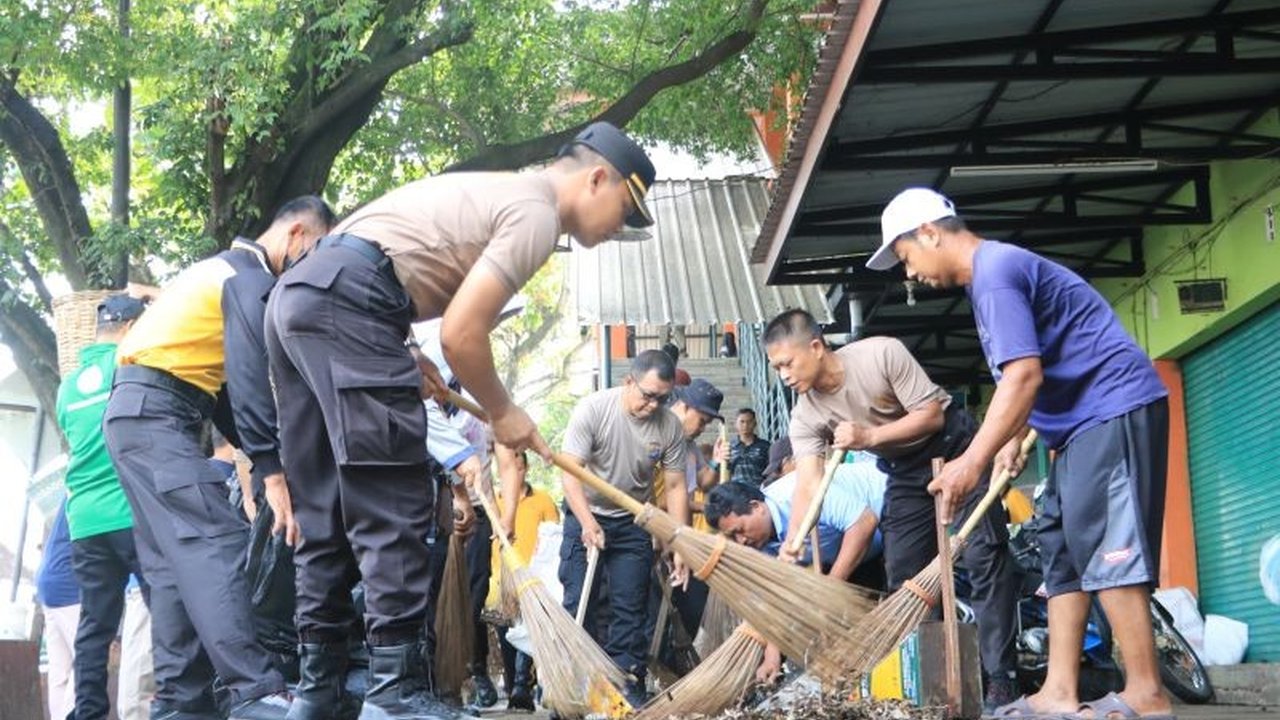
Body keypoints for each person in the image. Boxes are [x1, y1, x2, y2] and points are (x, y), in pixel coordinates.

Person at [263, 121, 656, 720]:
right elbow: (462, 332)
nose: (616, 230)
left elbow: (372, 259)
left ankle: (320, 689)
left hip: (300, 295)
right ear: (596, 178)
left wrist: (403, 350)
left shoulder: (497, 190)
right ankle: (394, 694)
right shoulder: (537, 212)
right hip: (351, 302)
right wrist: (502, 411)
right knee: (393, 501)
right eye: (623, 211)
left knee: (323, 509)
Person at [869, 187, 1174, 720]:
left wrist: (971, 462)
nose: (910, 273)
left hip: (1112, 409)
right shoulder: (988, 281)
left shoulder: (995, 272)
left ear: (930, 233)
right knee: (1059, 544)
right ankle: (1059, 689)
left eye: (905, 257)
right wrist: (1011, 438)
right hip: (1078, 427)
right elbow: (1036, 367)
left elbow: (1024, 375)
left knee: (1109, 546)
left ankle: (1147, 691)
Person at [104, 197, 335, 720]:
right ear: (297, 234)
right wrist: (272, 471)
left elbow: (227, 394)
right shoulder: (247, 279)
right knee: (218, 542)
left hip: (138, 413)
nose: (311, 270)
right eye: (316, 252)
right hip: (157, 414)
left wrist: (262, 455)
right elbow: (250, 378)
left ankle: (182, 705)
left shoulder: (216, 272)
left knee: (171, 566)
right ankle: (255, 690)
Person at [762, 308, 1019, 711]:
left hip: (956, 447)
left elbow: (931, 416)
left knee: (984, 555)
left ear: (815, 347)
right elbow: (808, 486)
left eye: (787, 363)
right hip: (903, 470)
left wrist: (869, 436)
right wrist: (792, 542)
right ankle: (931, 686)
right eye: (776, 368)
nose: (784, 376)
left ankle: (1001, 677)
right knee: (905, 576)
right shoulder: (805, 415)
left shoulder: (880, 354)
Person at [557, 350, 689, 707]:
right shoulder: (594, 409)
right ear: (629, 381)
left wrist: (679, 543)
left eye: (662, 398)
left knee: (630, 608)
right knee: (579, 603)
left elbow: (676, 487)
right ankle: (574, 688)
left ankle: (626, 684)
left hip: (633, 522)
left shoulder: (669, 426)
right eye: (648, 395)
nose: (653, 405)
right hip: (586, 514)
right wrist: (587, 523)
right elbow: (570, 472)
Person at [705, 459, 888, 681]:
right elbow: (777, 597)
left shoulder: (800, 493)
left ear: (756, 507)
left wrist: (831, 585)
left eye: (740, 530)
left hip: (890, 505)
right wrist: (772, 655)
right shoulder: (761, 545)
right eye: (733, 536)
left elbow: (863, 522)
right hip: (860, 550)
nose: (741, 540)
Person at [56, 294, 150, 720]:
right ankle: (177, 700)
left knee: (95, 624)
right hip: (129, 512)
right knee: (166, 607)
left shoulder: (68, 387)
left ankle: (89, 711)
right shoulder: (129, 366)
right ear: (130, 328)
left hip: (85, 520)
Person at [491, 448, 559, 712]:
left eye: (520, 468)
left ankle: (522, 685)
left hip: (533, 577)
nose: (516, 473)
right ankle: (514, 688)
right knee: (506, 634)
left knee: (528, 631)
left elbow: (553, 536)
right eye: (510, 468)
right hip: (501, 578)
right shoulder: (493, 502)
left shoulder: (543, 500)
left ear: (526, 469)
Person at [664, 378, 725, 637]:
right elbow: (671, 498)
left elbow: (704, 482)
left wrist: (716, 461)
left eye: (707, 424)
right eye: (701, 421)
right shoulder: (659, 435)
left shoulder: (689, 446)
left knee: (691, 603)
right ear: (685, 406)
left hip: (682, 538)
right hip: (661, 536)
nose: (702, 429)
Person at [37, 502, 80, 720]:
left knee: (60, 671)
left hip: (48, 580)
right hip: (70, 584)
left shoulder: (70, 491)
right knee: (87, 658)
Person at [718, 408, 770, 487]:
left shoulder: (765, 446)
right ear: (736, 424)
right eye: (742, 422)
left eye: (749, 422)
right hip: (736, 490)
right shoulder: (728, 447)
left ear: (755, 423)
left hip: (757, 490)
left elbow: (770, 471)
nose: (745, 425)